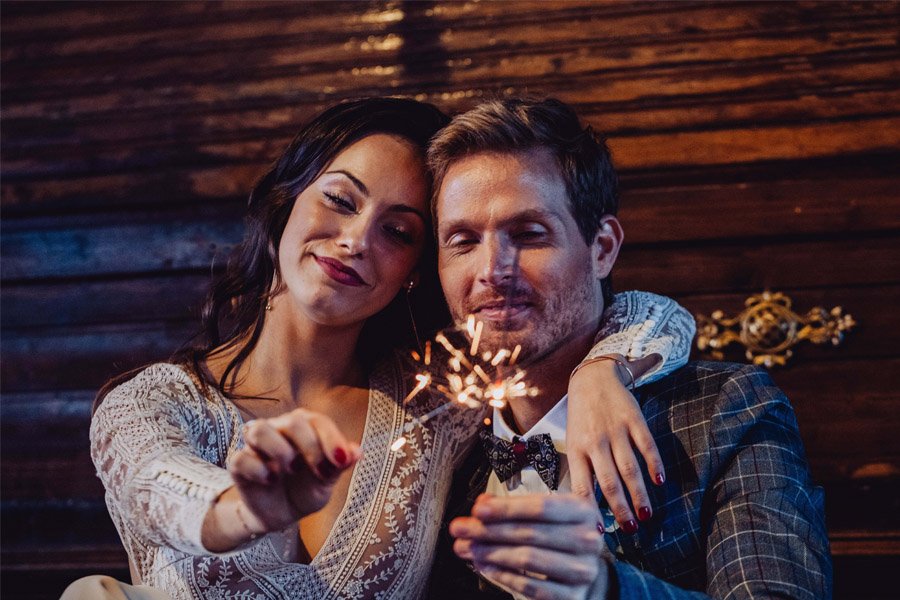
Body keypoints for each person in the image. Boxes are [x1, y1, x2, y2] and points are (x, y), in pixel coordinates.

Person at [66, 98, 691, 600]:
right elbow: (159, 491)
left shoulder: (435, 395)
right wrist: (241, 508)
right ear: (289, 202)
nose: (355, 240)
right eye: (340, 200)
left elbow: (643, 312)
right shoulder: (148, 403)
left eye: (397, 231)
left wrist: (603, 373)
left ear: (416, 270)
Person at [426, 98, 832, 599]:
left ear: (602, 248)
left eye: (529, 234)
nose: (492, 268)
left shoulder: (729, 410)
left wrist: (603, 588)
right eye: (462, 240)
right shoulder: (445, 451)